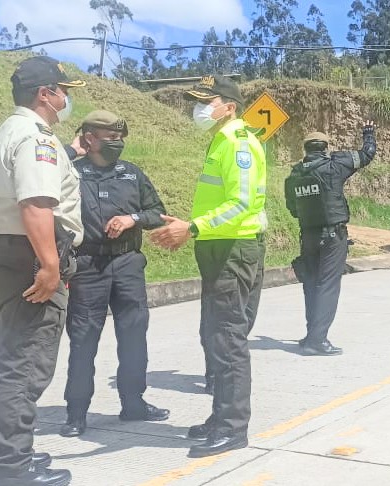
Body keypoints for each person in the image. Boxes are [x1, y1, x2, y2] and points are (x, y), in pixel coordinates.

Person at [0, 55, 84, 486]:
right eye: (62, 89)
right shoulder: (36, 138)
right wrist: (50, 265)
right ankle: (13, 470)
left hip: (1, 253)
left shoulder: (6, 130)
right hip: (30, 257)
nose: (65, 97)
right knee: (22, 366)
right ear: (45, 94)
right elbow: (36, 203)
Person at [150, 74, 266, 458]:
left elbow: (242, 204)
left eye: (207, 100)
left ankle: (234, 428)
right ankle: (221, 418)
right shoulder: (220, 139)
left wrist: (193, 226)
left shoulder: (239, 143)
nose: (199, 108)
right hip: (218, 249)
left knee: (229, 340)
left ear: (229, 105)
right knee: (216, 336)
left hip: (233, 250)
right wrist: (190, 226)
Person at [59, 110, 169, 438]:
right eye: (109, 137)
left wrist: (133, 218)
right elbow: (42, 182)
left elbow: (157, 212)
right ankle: (76, 414)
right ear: (89, 138)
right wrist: (70, 150)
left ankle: (133, 403)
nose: (117, 143)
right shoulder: (70, 173)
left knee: (134, 336)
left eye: (120, 137)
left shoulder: (132, 174)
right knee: (83, 340)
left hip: (127, 265)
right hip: (87, 266)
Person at [285, 122, 377, 356]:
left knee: (311, 284)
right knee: (328, 286)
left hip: (308, 236)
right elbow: (367, 154)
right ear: (325, 148)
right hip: (332, 236)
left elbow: (293, 209)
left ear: (305, 150)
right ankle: (318, 340)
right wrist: (368, 134)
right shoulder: (334, 166)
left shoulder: (294, 175)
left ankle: (311, 335)